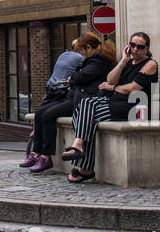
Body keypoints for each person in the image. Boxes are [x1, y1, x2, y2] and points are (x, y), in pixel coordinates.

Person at [60, 32, 159, 183]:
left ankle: (83, 161)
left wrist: (113, 88)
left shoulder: (150, 64)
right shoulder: (127, 62)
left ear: (147, 49)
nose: (135, 49)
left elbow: (134, 88)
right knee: (85, 111)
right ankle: (82, 159)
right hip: (117, 104)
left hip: (135, 108)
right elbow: (110, 79)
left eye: (140, 47)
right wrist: (124, 61)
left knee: (86, 108)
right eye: (132, 45)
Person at [25, 35, 114, 174]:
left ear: (88, 48)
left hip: (80, 100)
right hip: (73, 96)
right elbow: (79, 76)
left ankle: (46, 156)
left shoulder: (98, 61)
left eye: (81, 51)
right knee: (41, 112)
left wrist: (74, 77)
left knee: (48, 115)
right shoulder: (92, 60)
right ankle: (36, 152)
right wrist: (76, 77)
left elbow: (81, 77)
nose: (80, 54)